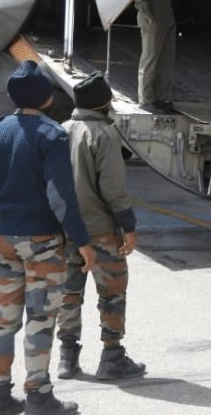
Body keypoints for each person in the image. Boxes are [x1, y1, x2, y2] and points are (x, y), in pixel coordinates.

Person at [0, 60, 96, 415]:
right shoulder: (52, 135)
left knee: (4, 319)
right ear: (47, 99)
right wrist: (82, 242)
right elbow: (61, 196)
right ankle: (38, 396)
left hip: (6, 241)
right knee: (40, 319)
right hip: (44, 245)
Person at [55, 72, 147, 383]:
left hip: (65, 231)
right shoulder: (105, 135)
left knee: (69, 293)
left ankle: (67, 360)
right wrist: (128, 226)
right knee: (112, 294)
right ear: (103, 104)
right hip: (100, 232)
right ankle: (112, 358)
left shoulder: (62, 131)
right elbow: (113, 188)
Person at [136, 0, 176, 113]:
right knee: (150, 59)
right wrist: (147, 14)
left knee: (165, 60)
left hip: (166, 15)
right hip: (152, 16)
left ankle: (160, 97)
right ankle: (146, 99)